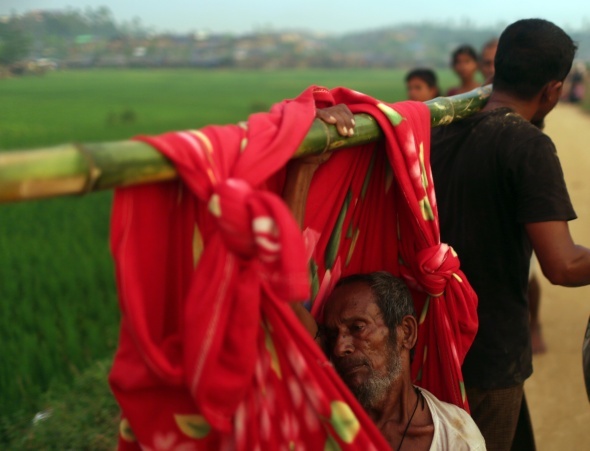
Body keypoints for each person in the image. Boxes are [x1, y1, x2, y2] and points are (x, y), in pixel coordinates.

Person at [430, 19, 590, 451]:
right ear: (554, 89)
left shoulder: (440, 128)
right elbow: (563, 265)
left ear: (496, 67)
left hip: (433, 345)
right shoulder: (527, 144)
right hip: (491, 352)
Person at [320, 271, 486, 450]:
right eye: (331, 336)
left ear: (406, 332)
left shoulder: (457, 438)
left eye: (358, 328)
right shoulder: (322, 425)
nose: (339, 348)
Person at [477, 36, 548, 355]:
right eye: (486, 62)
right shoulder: (466, 100)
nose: (491, 68)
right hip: (481, 198)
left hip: (514, 197)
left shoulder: (523, 117)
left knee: (527, 269)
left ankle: (532, 324)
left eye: (497, 62)